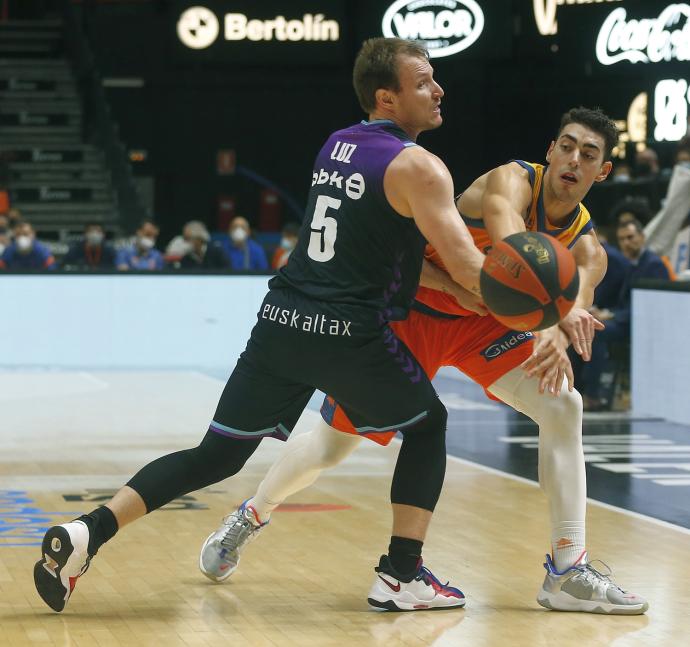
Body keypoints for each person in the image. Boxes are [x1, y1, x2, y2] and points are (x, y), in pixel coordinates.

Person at [34, 37, 486, 613]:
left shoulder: (338, 146)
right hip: (347, 333)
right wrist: (551, 304)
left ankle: (87, 532)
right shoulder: (420, 167)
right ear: (387, 98)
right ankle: (402, 573)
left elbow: (385, 255)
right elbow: (472, 265)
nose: (438, 88)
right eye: (423, 80)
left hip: (280, 322)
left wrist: (456, 291)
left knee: (214, 457)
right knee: (428, 426)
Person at [200, 107, 649, 615]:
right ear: (550, 150)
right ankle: (251, 514)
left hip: (483, 324)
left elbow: (581, 292)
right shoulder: (510, 181)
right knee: (333, 445)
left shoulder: (591, 247)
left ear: (603, 171)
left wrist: (564, 326)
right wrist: (550, 320)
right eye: (567, 146)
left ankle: (567, 571)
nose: (573, 159)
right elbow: (510, 248)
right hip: (414, 312)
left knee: (563, 404)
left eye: (588, 155)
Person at [583, 217, 672, 409]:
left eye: (630, 237)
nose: (626, 242)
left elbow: (651, 308)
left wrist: (612, 316)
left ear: (642, 237)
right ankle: (578, 389)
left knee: (594, 331)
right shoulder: (632, 264)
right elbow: (625, 302)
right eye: (622, 239)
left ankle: (592, 394)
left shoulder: (653, 264)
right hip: (627, 320)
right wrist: (605, 312)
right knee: (583, 325)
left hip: (642, 326)